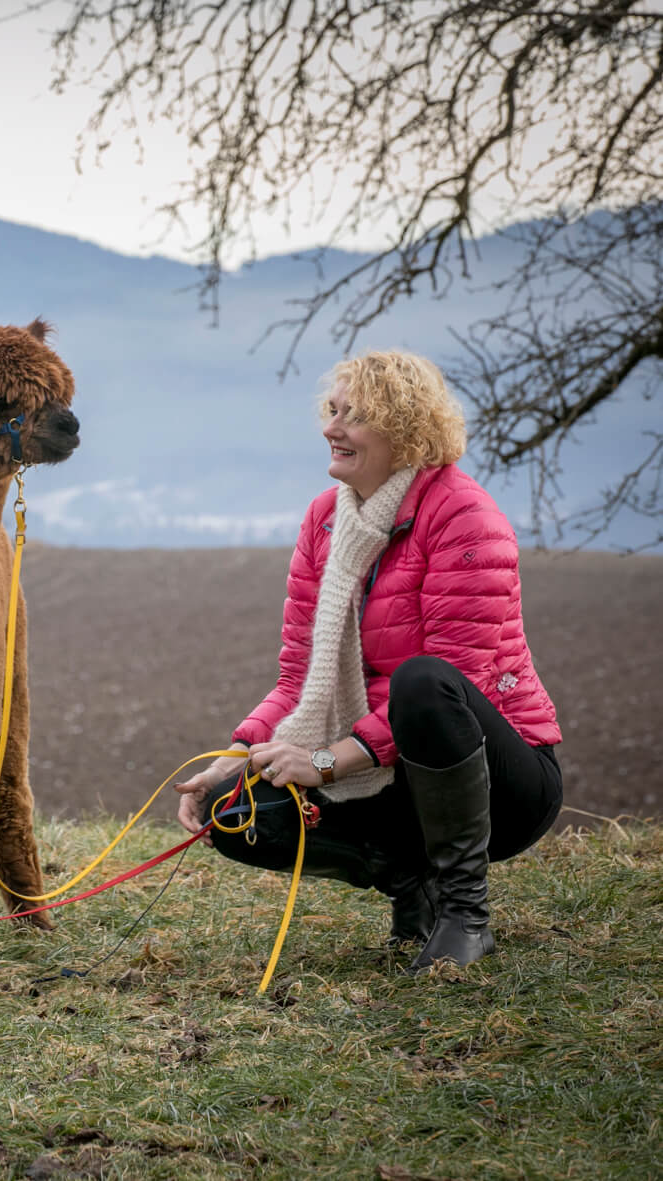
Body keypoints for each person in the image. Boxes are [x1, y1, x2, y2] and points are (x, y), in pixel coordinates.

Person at [175, 350, 562, 971]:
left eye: (353, 417)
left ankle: (465, 913)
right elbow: (301, 679)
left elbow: (456, 681)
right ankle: (412, 885)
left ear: (404, 430)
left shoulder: (465, 516)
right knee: (238, 814)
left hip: (500, 783)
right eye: (332, 411)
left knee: (423, 681)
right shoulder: (326, 521)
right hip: (389, 768)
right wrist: (236, 755)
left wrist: (324, 762)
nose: (332, 427)